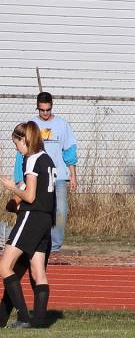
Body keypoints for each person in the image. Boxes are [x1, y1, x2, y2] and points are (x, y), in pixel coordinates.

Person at [1, 122, 56, 328]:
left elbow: (31, 197)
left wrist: (11, 188)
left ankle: (23, 317)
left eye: (17, 143)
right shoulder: (46, 158)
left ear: (24, 140)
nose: (17, 148)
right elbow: (36, 188)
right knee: (37, 271)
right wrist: (16, 196)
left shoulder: (31, 159)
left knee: (4, 266)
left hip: (31, 217)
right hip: (45, 219)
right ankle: (40, 322)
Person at [14, 94, 77, 253]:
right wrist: (18, 179)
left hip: (58, 177)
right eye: (42, 110)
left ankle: (54, 247)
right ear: (37, 108)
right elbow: (20, 153)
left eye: (48, 110)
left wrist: (73, 175)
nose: (45, 113)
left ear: (52, 107)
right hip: (36, 177)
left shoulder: (62, 125)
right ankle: (36, 242)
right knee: (38, 211)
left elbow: (69, 151)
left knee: (60, 210)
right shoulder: (31, 125)